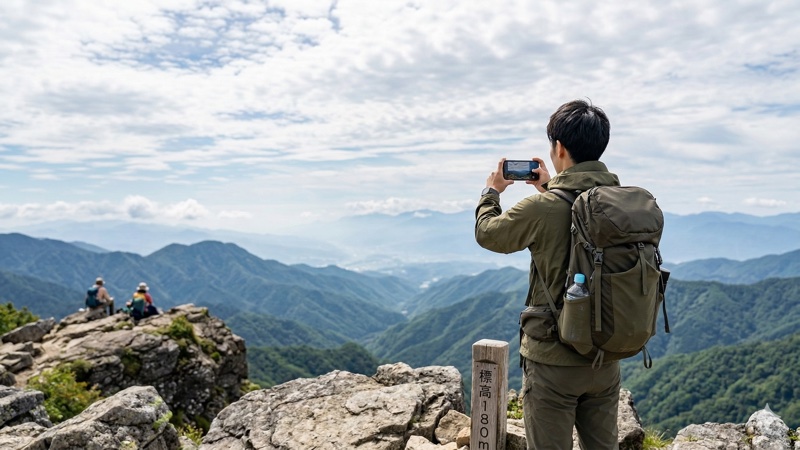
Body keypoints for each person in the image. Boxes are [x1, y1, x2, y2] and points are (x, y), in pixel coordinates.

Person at [475, 100, 621, 449]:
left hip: (553, 361)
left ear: (558, 147)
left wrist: (492, 191)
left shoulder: (542, 208)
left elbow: (488, 233)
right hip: (606, 357)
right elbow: (577, 216)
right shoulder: (620, 203)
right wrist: (550, 186)